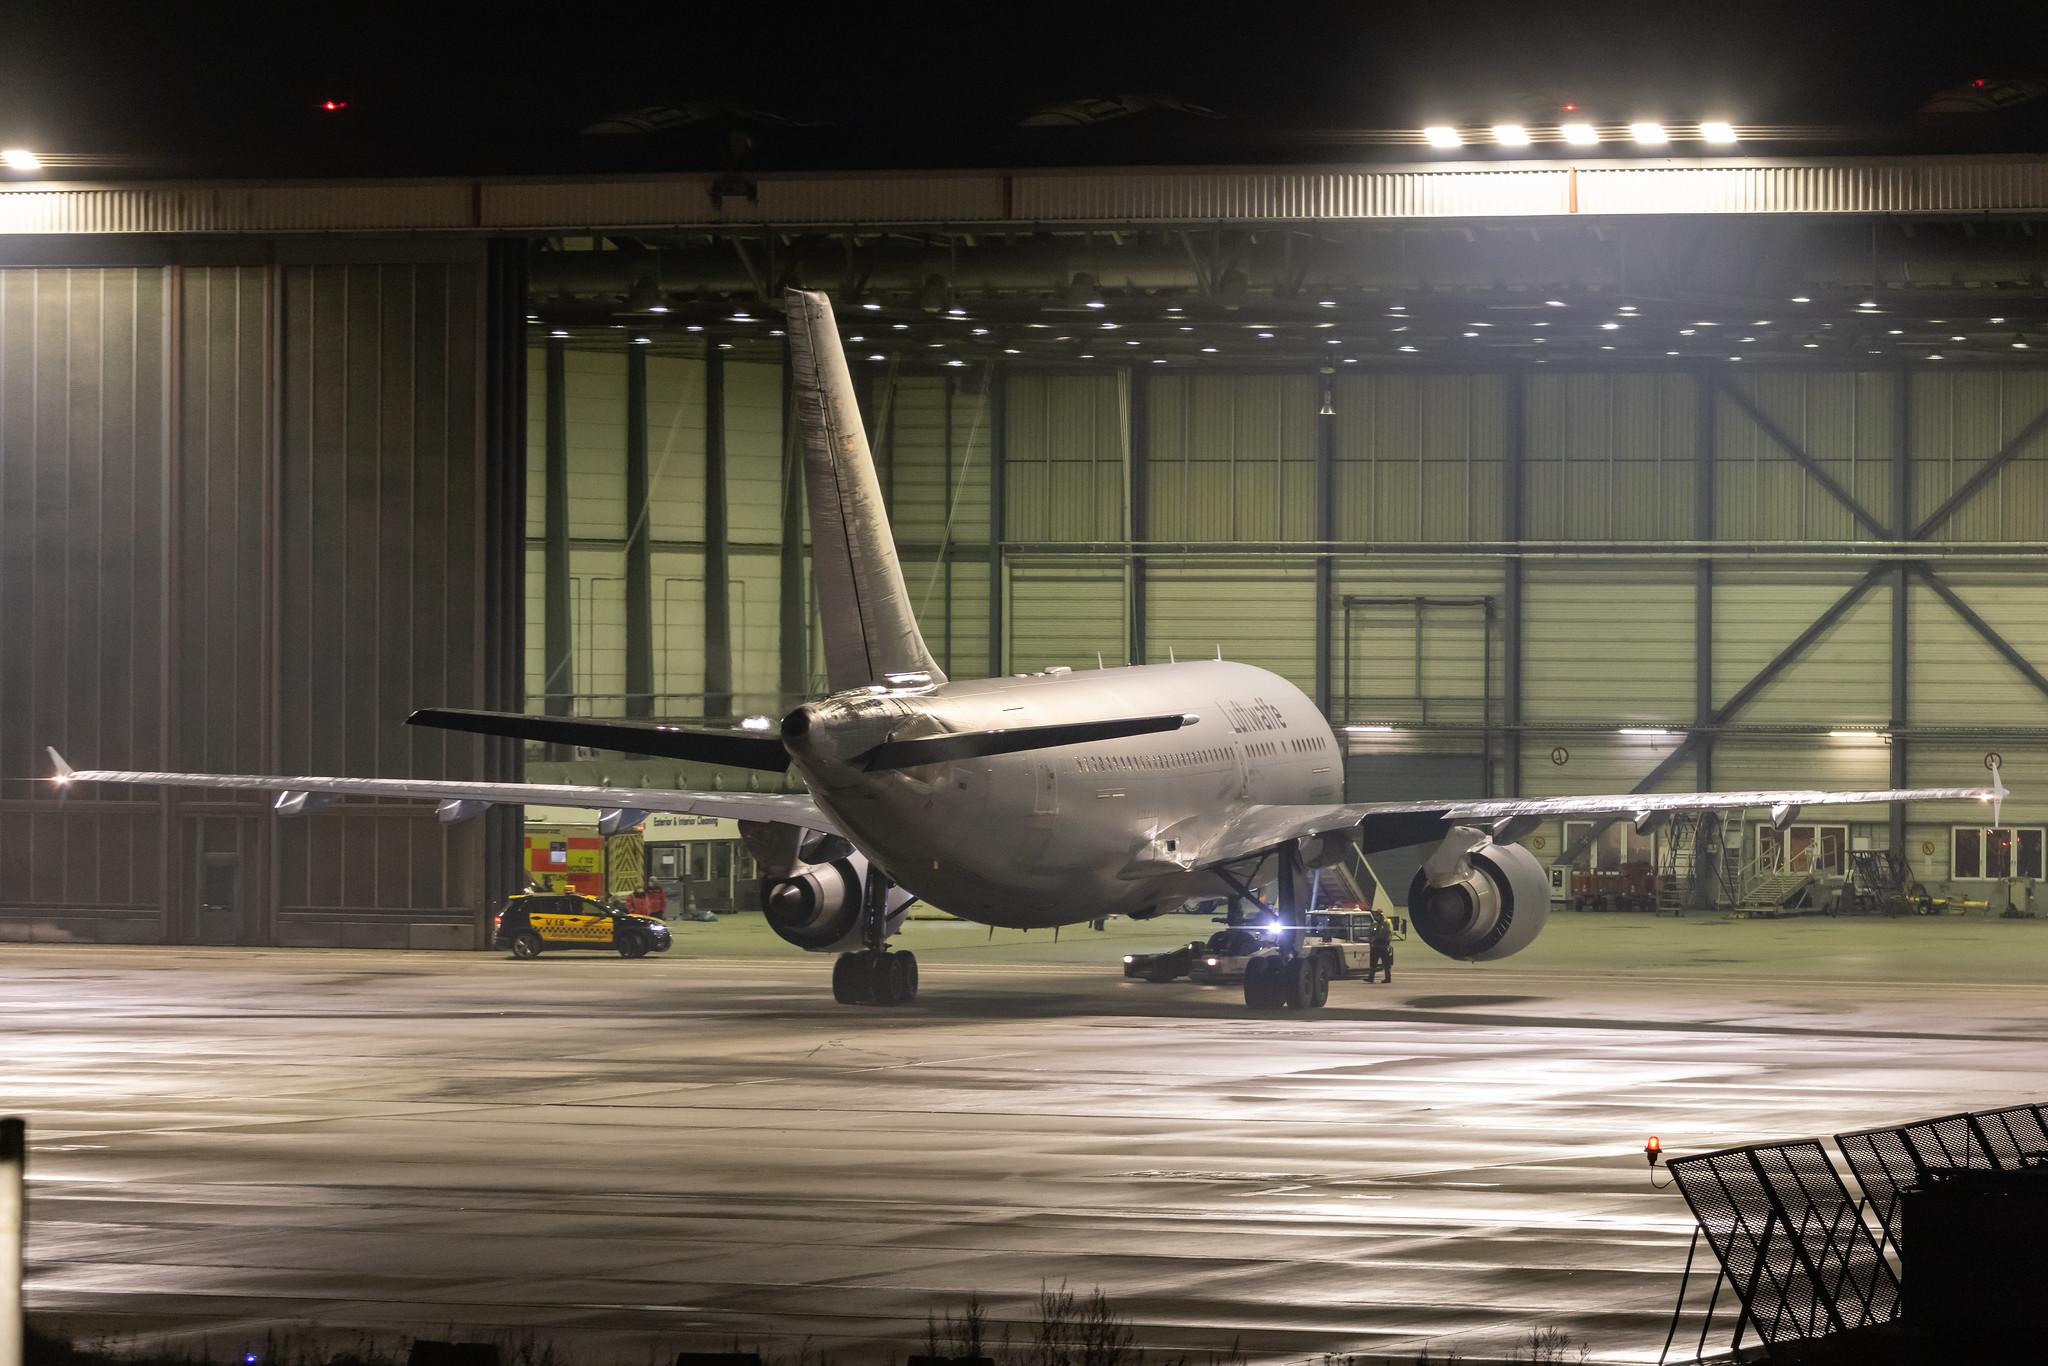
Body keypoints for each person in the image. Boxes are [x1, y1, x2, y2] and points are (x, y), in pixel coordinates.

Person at [1368, 912, 1393, 983]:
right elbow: (1371, 932)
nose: (1376, 917)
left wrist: (1375, 938)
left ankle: (1388, 978)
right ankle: (1371, 977)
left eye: (1378, 916)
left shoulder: (1386, 924)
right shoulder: (1375, 924)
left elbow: (1385, 934)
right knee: (1373, 962)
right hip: (1376, 946)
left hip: (1383, 945)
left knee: (1386, 963)